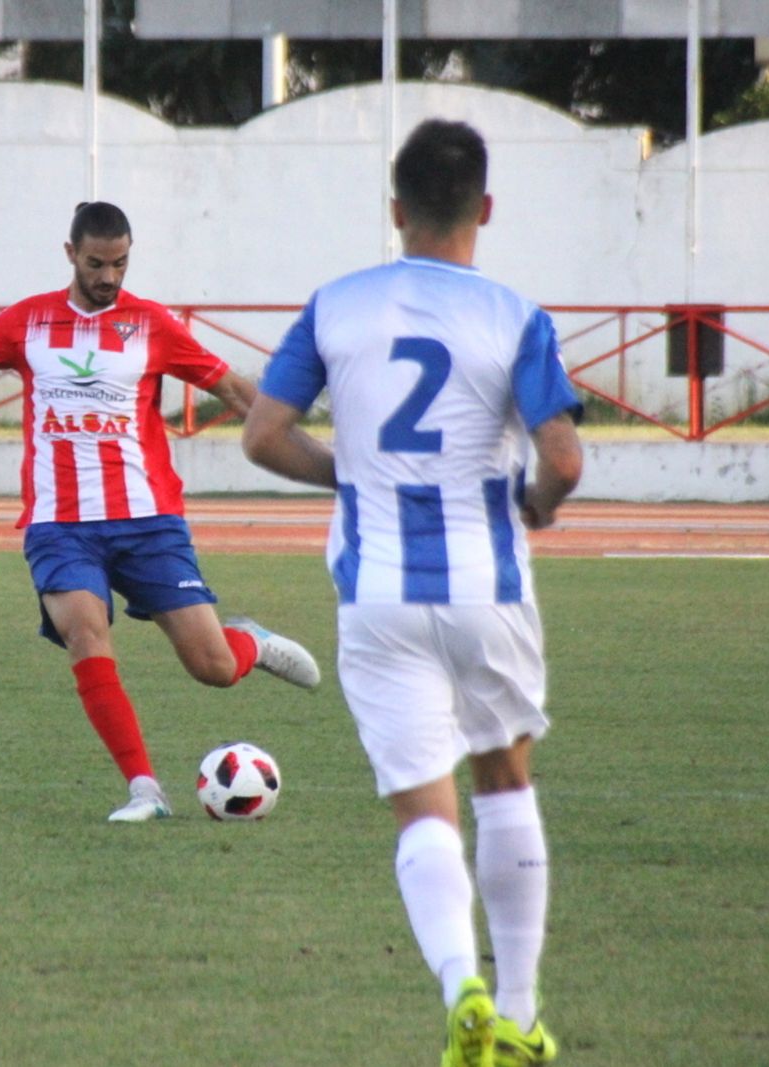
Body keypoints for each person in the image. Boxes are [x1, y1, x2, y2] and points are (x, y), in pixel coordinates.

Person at [241, 120, 583, 1067]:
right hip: (488, 587)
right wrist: (539, 505)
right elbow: (562, 456)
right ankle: (517, 1012)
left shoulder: (336, 306)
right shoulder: (516, 314)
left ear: (395, 212)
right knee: (506, 786)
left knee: (421, 809)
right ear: (486, 208)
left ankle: (456, 987)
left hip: (377, 598)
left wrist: (352, 477)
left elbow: (264, 435)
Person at [0, 201, 322, 822]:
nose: (110, 276)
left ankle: (251, 643)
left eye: (121, 263)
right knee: (86, 632)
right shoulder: (28, 322)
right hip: (59, 524)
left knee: (213, 668)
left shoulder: (152, 325)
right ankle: (144, 790)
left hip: (148, 520)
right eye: (97, 263)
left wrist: (305, 442)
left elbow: (233, 389)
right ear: (71, 255)